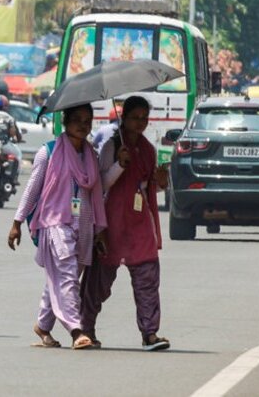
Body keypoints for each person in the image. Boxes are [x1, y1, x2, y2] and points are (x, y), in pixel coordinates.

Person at [8, 104, 107, 350]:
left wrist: (100, 229)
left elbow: (96, 192)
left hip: (83, 224)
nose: (83, 125)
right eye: (77, 120)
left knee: (63, 277)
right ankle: (76, 330)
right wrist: (17, 223)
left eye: (87, 120)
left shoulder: (90, 156)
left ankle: (43, 326)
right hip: (54, 223)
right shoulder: (48, 152)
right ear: (65, 122)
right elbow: (32, 189)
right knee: (67, 276)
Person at [80, 95, 170, 351]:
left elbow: (149, 186)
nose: (140, 123)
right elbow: (102, 183)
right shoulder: (111, 146)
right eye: (135, 117)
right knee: (99, 281)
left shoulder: (148, 149)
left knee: (147, 276)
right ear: (125, 117)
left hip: (140, 223)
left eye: (144, 118)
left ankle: (150, 333)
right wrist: (120, 163)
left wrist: (161, 180)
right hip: (112, 220)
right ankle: (86, 328)